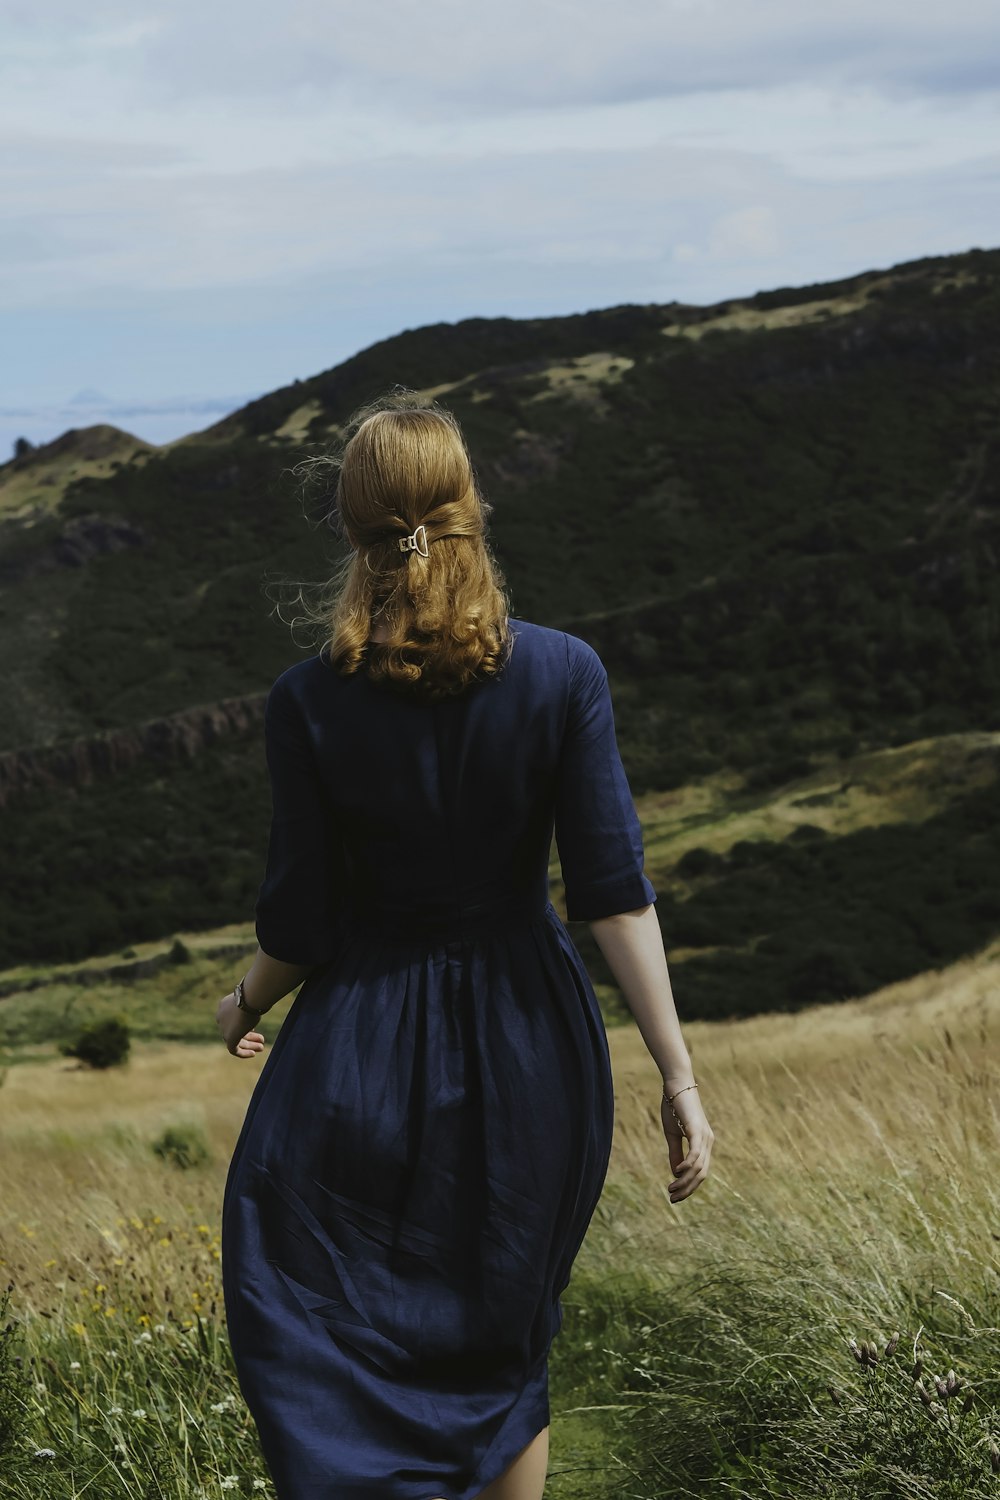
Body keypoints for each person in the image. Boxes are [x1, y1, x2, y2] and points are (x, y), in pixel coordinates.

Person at [216, 392, 714, 1500]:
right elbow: (612, 897)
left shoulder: (306, 702)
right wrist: (677, 1075)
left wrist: (245, 1002)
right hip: (531, 1039)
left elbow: (301, 923)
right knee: (502, 1331)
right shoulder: (563, 674)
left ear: (352, 529)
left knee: (316, 1315)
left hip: (357, 1046)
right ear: (469, 509)